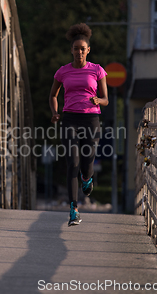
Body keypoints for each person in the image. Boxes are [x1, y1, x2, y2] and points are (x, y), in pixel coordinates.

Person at [49, 23, 108, 226]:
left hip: (91, 119)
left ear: (88, 50)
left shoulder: (97, 70)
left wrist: (98, 101)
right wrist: (55, 112)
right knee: (72, 163)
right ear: (71, 50)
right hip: (70, 119)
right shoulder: (63, 72)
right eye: (76, 49)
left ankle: (87, 178)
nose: (79, 52)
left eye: (83, 49)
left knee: (87, 161)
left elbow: (105, 98)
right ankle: (74, 209)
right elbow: (53, 95)